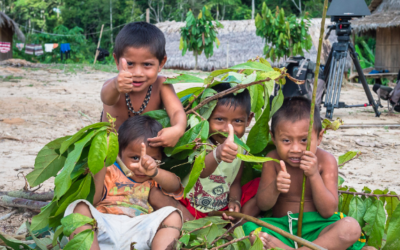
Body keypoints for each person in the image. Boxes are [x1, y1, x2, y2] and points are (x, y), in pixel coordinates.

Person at [243, 97, 365, 250]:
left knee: (351, 227)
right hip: (282, 229)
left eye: (304, 140)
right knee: (249, 230)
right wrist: (275, 186)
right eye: (286, 141)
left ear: (319, 137)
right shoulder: (273, 161)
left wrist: (314, 175)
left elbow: (328, 211)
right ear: (273, 137)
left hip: (319, 229)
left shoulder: (326, 161)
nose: (295, 148)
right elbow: (263, 204)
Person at [64, 116, 184, 250]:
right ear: (119, 154)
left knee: (173, 214)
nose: (141, 165)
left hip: (140, 230)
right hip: (104, 226)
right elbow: (93, 198)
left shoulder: (153, 179)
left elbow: (175, 186)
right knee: (79, 207)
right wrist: (102, 157)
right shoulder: (110, 171)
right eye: (135, 158)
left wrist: (155, 172)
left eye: (152, 159)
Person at [150, 83, 260, 222]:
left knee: (259, 188)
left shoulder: (241, 145)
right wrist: (218, 153)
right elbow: (202, 171)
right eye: (220, 119)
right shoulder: (198, 140)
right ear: (205, 116)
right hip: (189, 204)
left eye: (237, 121)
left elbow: (235, 181)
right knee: (156, 195)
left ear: (249, 119)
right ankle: (192, 223)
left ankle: (230, 224)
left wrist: (234, 201)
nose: (227, 129)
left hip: (220, 208)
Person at [100, 21, 186, 148]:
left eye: (147, 64)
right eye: (130, 64)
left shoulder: (162, 85)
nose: (138, 73)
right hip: (112, 153)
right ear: (117, 61)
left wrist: (178, 129)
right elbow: (106, 98)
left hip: (146, 153)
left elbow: (177, 112)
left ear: (161, 63)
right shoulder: (115, 85)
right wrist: (115, 86)